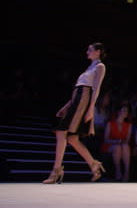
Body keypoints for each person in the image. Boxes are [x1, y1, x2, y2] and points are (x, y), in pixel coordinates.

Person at [42, 43, 106, 184]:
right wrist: (67, 105)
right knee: (72, 138)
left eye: (90, 49)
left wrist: (91, 110)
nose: (87, 51)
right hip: (77, 98)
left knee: (61, 132)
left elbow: (96, 89)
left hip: (84, 100)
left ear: (98, 51)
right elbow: (78, 89)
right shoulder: (90, 67)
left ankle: (56, 170)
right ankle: (93, 164)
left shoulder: (100, 66)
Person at [104, 105, 132, 181]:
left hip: (122, 145)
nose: (126, 112)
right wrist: (115, 141)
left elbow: (127, 140)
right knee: (117, 147)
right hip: (110, 145)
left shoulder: (129, 125)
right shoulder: (110, 124)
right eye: (124, 110)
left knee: (125, 146)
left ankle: (126, 172)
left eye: (127, 111)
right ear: (119, 112)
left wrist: (121, 142)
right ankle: (118, 171)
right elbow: (106, 139)